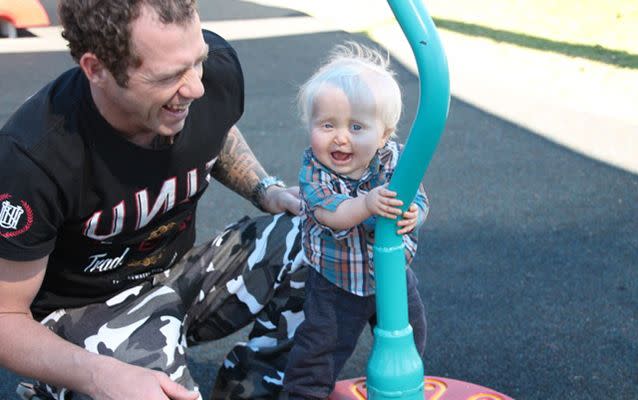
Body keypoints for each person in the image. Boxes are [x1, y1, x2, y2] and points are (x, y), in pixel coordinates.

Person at [0, 1, 307, 399]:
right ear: (97, 70)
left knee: (323, 239)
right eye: (170, 76)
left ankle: (253, 390)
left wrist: (265, 189)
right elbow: (6, 317)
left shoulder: (210, 73)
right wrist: (98, 376)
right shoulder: (35, 157)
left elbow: (214, 129)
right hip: (89, 315)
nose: (196, 86)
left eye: (197, 60)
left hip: (178, 274)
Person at [280, 42, 429, 399]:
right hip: (336, 284)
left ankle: (397, 387)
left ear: (385, 133)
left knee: (411, 333)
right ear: (311, 125)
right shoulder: (314, 171)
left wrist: (414, 214)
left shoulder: (397, 159)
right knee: (317, 355)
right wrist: (367, 204)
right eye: (327, 124)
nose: (341, 137)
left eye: (357, 126)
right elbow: (330, 214)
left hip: (392, 274)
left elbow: (419, 197)